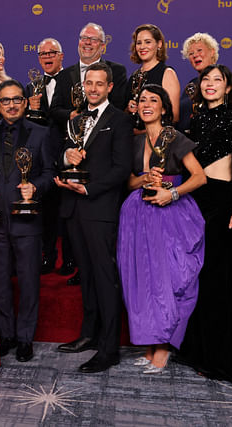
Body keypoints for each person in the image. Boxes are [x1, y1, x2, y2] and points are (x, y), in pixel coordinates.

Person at [117, 84, 205, 374]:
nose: (146, 105)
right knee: (141, 280)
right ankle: (149, 345)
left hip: (171, 216)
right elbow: (129, 181)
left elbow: (200, 177)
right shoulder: (134, 140)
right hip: (137, 215)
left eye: (153, 100)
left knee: (169, 280)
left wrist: (173, 193)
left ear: (164, 108)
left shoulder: (176, 138)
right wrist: (143, 180)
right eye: (142, 100)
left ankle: (164, 347)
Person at [54, 62, 132, 373]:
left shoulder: (121, 121)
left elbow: (121, 169)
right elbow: (62, 150)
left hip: (99, 209)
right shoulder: (77, 119)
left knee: (104, 278)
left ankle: (109, 348)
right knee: (86, 276)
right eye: (90, 84)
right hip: (73, 209)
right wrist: (66, 157)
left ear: (110, 87)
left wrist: (88, 189)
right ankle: (89, 334)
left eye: (100, 84)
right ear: (83, 85)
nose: (94, 89)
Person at [176, 64, 232, 383]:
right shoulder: (196, 118)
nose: (210, 84)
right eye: (205, 79)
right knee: (196, 278)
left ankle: (222, 359)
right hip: (196, 200)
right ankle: (196, 350)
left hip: (220, 202)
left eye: (217, 80)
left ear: (228, 88)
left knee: (217, 280)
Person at [0, 80, 56, 362]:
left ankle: (25, 338)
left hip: (28, 221)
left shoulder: (42, 133)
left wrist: (36, 187)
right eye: (5, 100)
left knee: (29, 282)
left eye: (17, 100)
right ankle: (6, 335)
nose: (11, 105)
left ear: (25, 103)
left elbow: (49, 174)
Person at [24, 38, 72, 277]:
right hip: (42, 157)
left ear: (61, 56)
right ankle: (48, 256)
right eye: (42, 54)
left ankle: (72, 260)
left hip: (70, 154)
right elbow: (29, 126)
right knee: (46, 210)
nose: (47, 57)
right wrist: (31, 110)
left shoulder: (74, 80)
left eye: (52, 52)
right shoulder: (31, 86)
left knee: (71, 210)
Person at [125, 24, 181, 126]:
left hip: (156, 139)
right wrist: (129, 109)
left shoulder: (167, 73)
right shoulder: (134, 76)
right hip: (132, 137)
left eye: (148, 42)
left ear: (159, 44)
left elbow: (174, 117)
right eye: (139, 43)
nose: (142, 47)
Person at [179, 33, 219, 133]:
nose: (195, 55)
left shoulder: (224, 81)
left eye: (199, 50)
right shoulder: (192, 84)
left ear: (212, 52)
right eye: (191, 53)